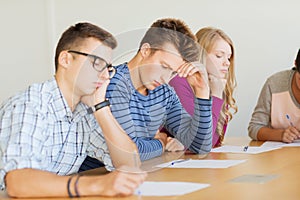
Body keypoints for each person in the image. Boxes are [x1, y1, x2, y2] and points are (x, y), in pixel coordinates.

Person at [0, 22, 146, 198]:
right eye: (97, 63)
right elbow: (18, 183)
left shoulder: (84, 111)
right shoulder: (30, 105)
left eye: (108, 67)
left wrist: (101, 107)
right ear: (66, 60)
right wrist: (97, 185)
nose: (106, 76)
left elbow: (131, 164)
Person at [105, 18, 212, 161]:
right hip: (96, 177)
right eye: (164, 66)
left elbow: (200, 146)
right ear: (145, 50)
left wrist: (202, 91)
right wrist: (161, 142)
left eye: (173, 72)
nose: (165, 79)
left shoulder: (164, 93)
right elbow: (130, 151)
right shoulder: (113, 84)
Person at [168, 27, 237, 148]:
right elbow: (203, 142)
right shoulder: (179, 82)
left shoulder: (216, 85)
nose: (227, 63)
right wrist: (216, 95)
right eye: (219, 56)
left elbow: (216, 141)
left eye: (228, 57)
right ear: (201, 55)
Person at [248, 49, 300, 142]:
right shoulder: (274, 84)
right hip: (277, 154)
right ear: (295, 64)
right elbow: (254, 128)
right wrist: (281, 135)